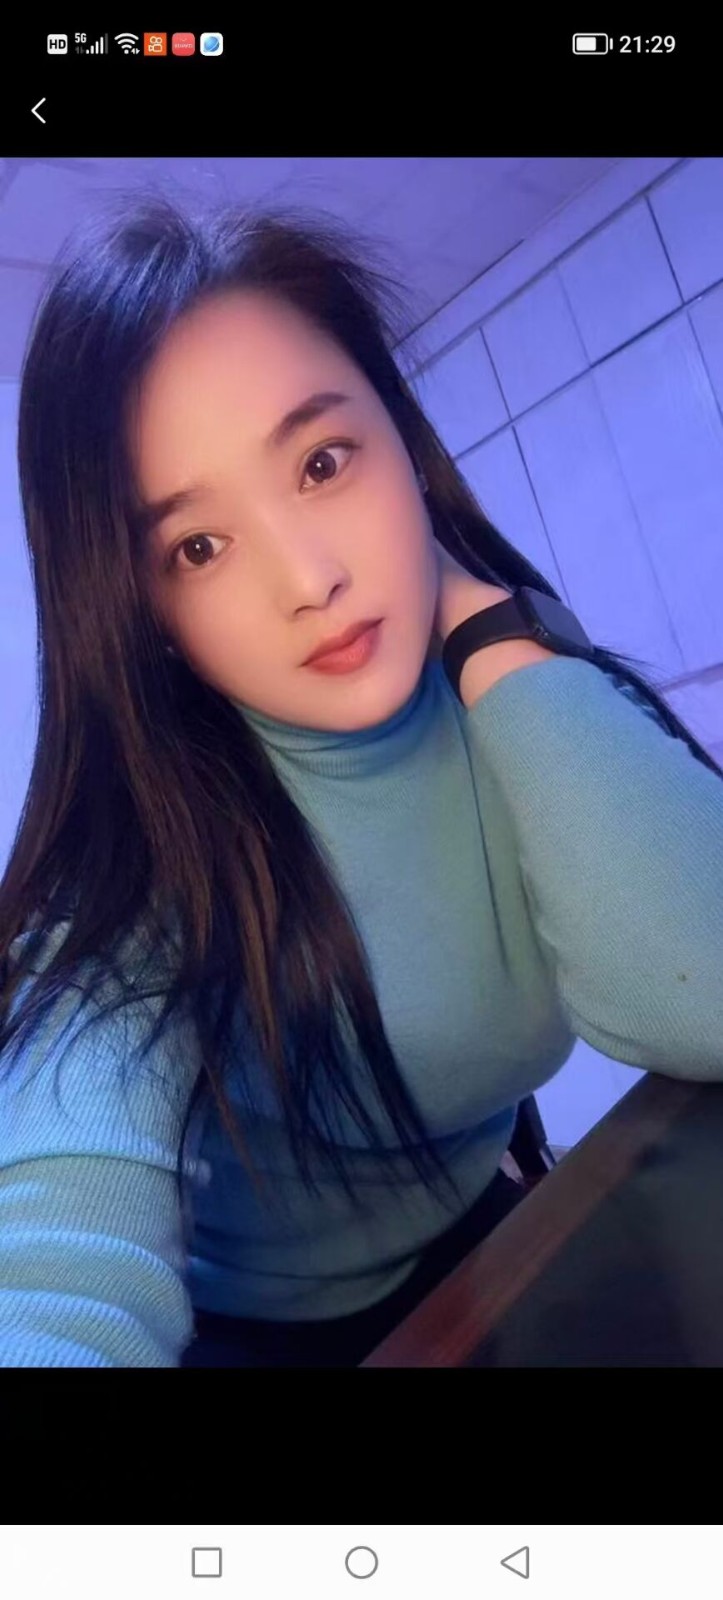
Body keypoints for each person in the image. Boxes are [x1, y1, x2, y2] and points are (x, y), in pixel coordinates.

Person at [1, 195, 722, 1369]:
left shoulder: (521, 695)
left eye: (323, 463)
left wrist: (488, 629)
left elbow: (705, 988)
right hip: (264, 1339)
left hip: (492, 1231)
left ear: (401, 439)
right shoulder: (139, 881)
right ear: (143, 612)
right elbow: (54, 1274)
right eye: (198, 546)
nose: (310, 578)